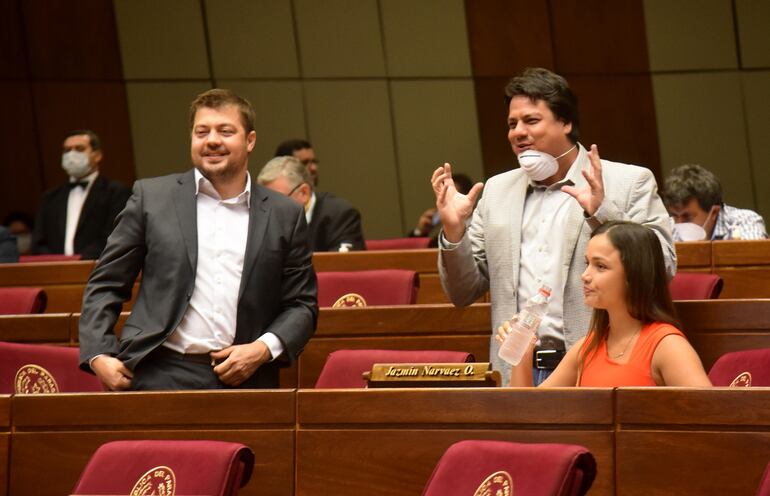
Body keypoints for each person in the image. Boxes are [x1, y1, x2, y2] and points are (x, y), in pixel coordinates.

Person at [432, 67, 675, 385]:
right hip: (516, 368)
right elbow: (463, 293)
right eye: (512, 123)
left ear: (566, 122)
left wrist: (601, 213)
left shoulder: (628, 182)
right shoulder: (496, 191)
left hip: (597, 363)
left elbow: (663, 267)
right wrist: (454, 232)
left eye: (531, 120)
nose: (518, 132)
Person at [78, 89, 318, 391]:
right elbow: (106, 283)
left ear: (250, 140)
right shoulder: (152, 199)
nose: (212, 140)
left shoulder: (285, 214)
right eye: (201, 132)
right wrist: (98, 353)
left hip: (248, 378)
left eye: (225, 131)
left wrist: (262, 349)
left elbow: (301, 305)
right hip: (158, 373)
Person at [497, 221, 712, 387]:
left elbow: (709, 418)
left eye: (600, 266)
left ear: (633, 275)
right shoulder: (586, 347)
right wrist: (522, 356)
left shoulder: (668, 346)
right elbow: (528, 413)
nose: (585, 276)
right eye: (587, 263)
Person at [31, 130, 131, 260]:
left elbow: (116, 235)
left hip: (99, 268)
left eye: (79, 149)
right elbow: (38, 241)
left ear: (98, 155)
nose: (71, 154)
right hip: (55, 273)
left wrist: (80, 261)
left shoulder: (116, 192)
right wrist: (56, 263)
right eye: (67, 150)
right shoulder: (50, 197)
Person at [257, 156, 366, 252]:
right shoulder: (261, 221)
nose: (270, 209)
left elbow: (341, 267)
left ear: (304, 193)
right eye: (265, 200)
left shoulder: (341, 215)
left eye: (278, 200)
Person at [662, 164, 768, 241]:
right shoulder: (668, 229)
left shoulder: (745, 221)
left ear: (713, 213)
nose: (679, 224)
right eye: (675, 216)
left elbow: (750, 264)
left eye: (687, 217)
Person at [410, 173, 473, 247]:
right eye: (443, 196)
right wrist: (421, 231)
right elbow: (413, 252)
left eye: (450, 196)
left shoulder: (476, 227)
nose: (445, 201)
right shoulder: (443, 231)